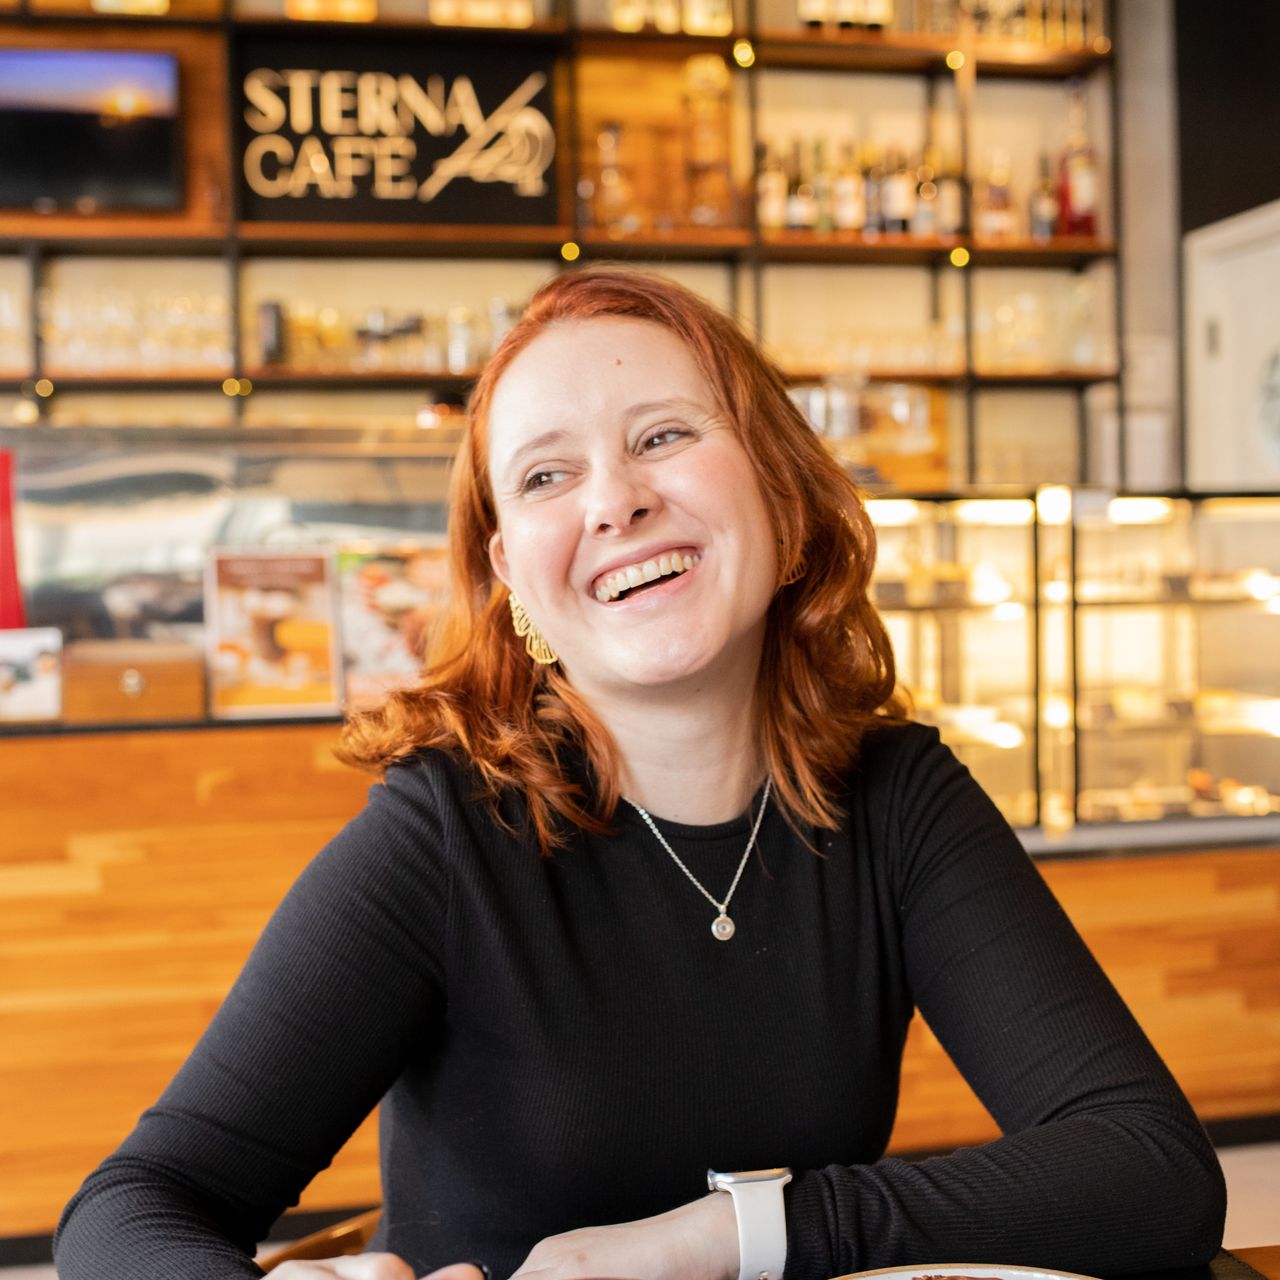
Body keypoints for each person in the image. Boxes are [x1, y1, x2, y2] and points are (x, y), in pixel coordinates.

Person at [55, 269, 1226, 1280]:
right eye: (545, 476)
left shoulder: (894, 796)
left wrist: (726, 1234)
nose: (614, 499)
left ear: (778, 488)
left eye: (662, 435)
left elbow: (1151, 1169)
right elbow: (130, 1204)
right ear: (511, 574)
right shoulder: (444, 835)